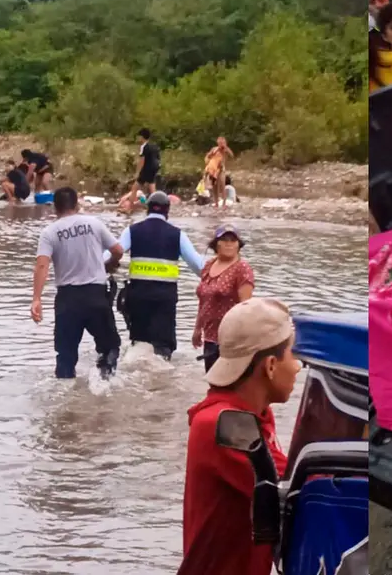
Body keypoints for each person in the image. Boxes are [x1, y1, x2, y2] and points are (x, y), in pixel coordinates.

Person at [181, 297, 300, 575]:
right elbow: (300, 490)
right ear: (271, 366)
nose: (298, 366)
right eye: (293, 354)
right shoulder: (224, 425)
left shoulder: (253, 413)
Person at [32, 187, 124, 379]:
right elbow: (118, 250)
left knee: (65, 355)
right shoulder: (94, 224)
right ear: (77, 204)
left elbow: (42, 265)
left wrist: (37, 299)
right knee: (109, 348)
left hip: (67, 300)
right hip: (96, 296)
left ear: (55, 208)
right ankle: (105, 385)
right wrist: (108, 265)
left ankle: (66, 398)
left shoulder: (49, 232)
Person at [109, 191, 205, 360]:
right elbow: (198, 266)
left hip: (138, 297)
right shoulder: (178, 235)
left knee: (139, 345)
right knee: (162, 347)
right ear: (167, 211)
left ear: (147, 209)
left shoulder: (131, 231)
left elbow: (111, 254)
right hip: (164, 299)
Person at [193, 224, 254, 370]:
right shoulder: (209, 265)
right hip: (209, 336)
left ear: (239, 245)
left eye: (233, 240)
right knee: (212, 381)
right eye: (224, 239)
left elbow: (246, 308)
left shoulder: (242, 269)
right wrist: (197, 329)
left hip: (230, 339)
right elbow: (203, 300)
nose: (228, 243)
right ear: (216, 244)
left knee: (227, 385)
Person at [204, 137, 234, 210]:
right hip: (214, 169)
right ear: (218, 143)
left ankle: (224, 203)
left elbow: (232, 155)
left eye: (222, 143)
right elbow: (208, 156)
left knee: (222, 185)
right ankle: (216, 202)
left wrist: (226, 148)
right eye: (220, 143)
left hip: (221, 169)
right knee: (214, 186)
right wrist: (211, 153)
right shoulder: (214, 149)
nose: (221, 144)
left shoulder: (226, 150)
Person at [135, 128, 161, 195]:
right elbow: (158, 158)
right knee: (151, 185)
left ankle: (132, 204)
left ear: (142, 137)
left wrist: (137, 173)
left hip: (148, 169)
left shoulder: (143, 146)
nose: (138, 138)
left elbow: (142, 161)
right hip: (155, 168)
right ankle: (155, 201)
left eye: (139, 136)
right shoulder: (154, 146)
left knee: (135, 187)